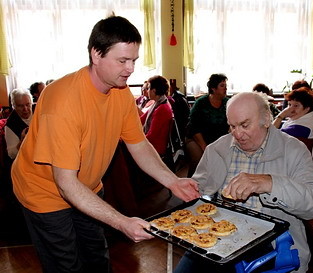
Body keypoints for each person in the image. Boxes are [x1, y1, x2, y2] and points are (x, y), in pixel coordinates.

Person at [11, 16, 199, 273]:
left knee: (97, 257)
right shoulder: (63, 102)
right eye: (122, 61)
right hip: (44, 192)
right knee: (66, 266)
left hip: (86, 186)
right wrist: (122, 222)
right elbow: (66, 185)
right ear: (96, 55)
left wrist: (172, 181)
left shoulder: (120, 91)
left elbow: (139, 144)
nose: (131, 69)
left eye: (133, 60)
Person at [174, 92, 313, 273]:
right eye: (232, 126)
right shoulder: (217, 149)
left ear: (266, 119)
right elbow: (200, 188)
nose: (237, 134)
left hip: (271, 243)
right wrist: (192, 190)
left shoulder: (293, 150)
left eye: (244, 125)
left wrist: (270, 183)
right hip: (218, 237)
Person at [185, 73, 230, 177]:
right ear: (213, 89)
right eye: (222, 86)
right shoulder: (201, 103)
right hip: (196, 139)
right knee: (199, 159)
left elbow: (231, 125)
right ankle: (192, 184)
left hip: (217, 140)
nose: (226, 89)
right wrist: (205, 147)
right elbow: (194, 128)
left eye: (226, 86)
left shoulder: (228, 103)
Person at [140, 75, 173, 156]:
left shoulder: (162, 108)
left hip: (156, 148)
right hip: (153, 144)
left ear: (154, 91)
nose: (147, 91)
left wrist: (136, 142)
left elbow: (152, 136)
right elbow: (140, 120)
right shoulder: (158, 103)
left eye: (148, 88)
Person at [5, 88, 33, 159]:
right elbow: (11, 154)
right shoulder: (10, 124)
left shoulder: (39, 110)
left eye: (28, 104)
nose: (25, 109)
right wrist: (22, 142)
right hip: (26, 159)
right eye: (20, 106)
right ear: (14, 106)